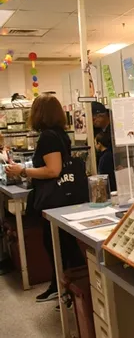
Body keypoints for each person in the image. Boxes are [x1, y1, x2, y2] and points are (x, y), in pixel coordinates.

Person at [6, 95, 85, 308]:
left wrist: (22, 170)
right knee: (63, 244)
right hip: (66, 197)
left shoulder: (48, 137)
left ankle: (69, 289)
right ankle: (67, 287)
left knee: (57, 244)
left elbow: (53, 170)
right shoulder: (59, 135)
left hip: (54, 200)